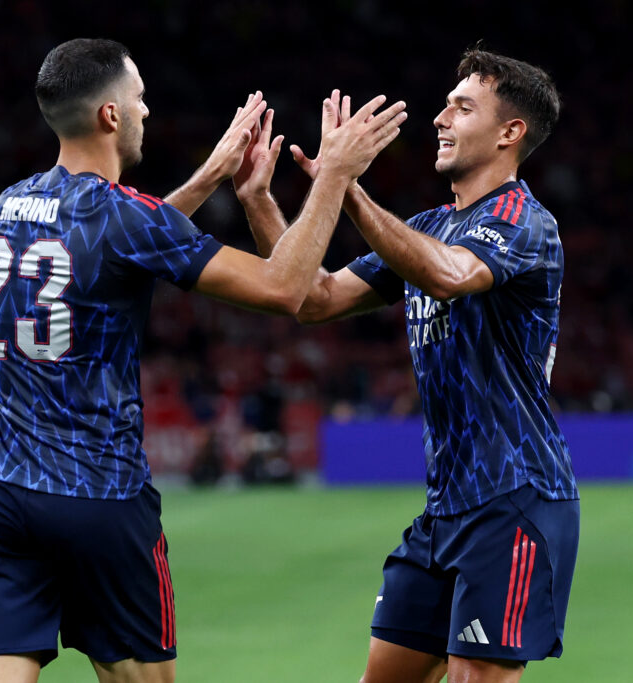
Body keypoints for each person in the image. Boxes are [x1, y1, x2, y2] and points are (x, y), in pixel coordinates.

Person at [0, 38, 406, 683]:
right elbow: (284, 289)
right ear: (110, 115)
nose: (147, 110)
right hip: (98, 493)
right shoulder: (125, 216)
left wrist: (210, 175)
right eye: (139, 98)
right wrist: (334, 174)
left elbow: (115, 247)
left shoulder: (9, 205)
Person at [234, 46, 579, 683]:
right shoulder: (429, 225)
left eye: (463, 108)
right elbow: (314, 299)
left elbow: (450, 276)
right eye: (446, 104)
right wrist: (257, 198)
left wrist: (344, 185)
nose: (440, 119)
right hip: (446, 507)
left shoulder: (525, 222)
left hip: (514, 498)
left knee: (476, 674)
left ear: (510, 132)